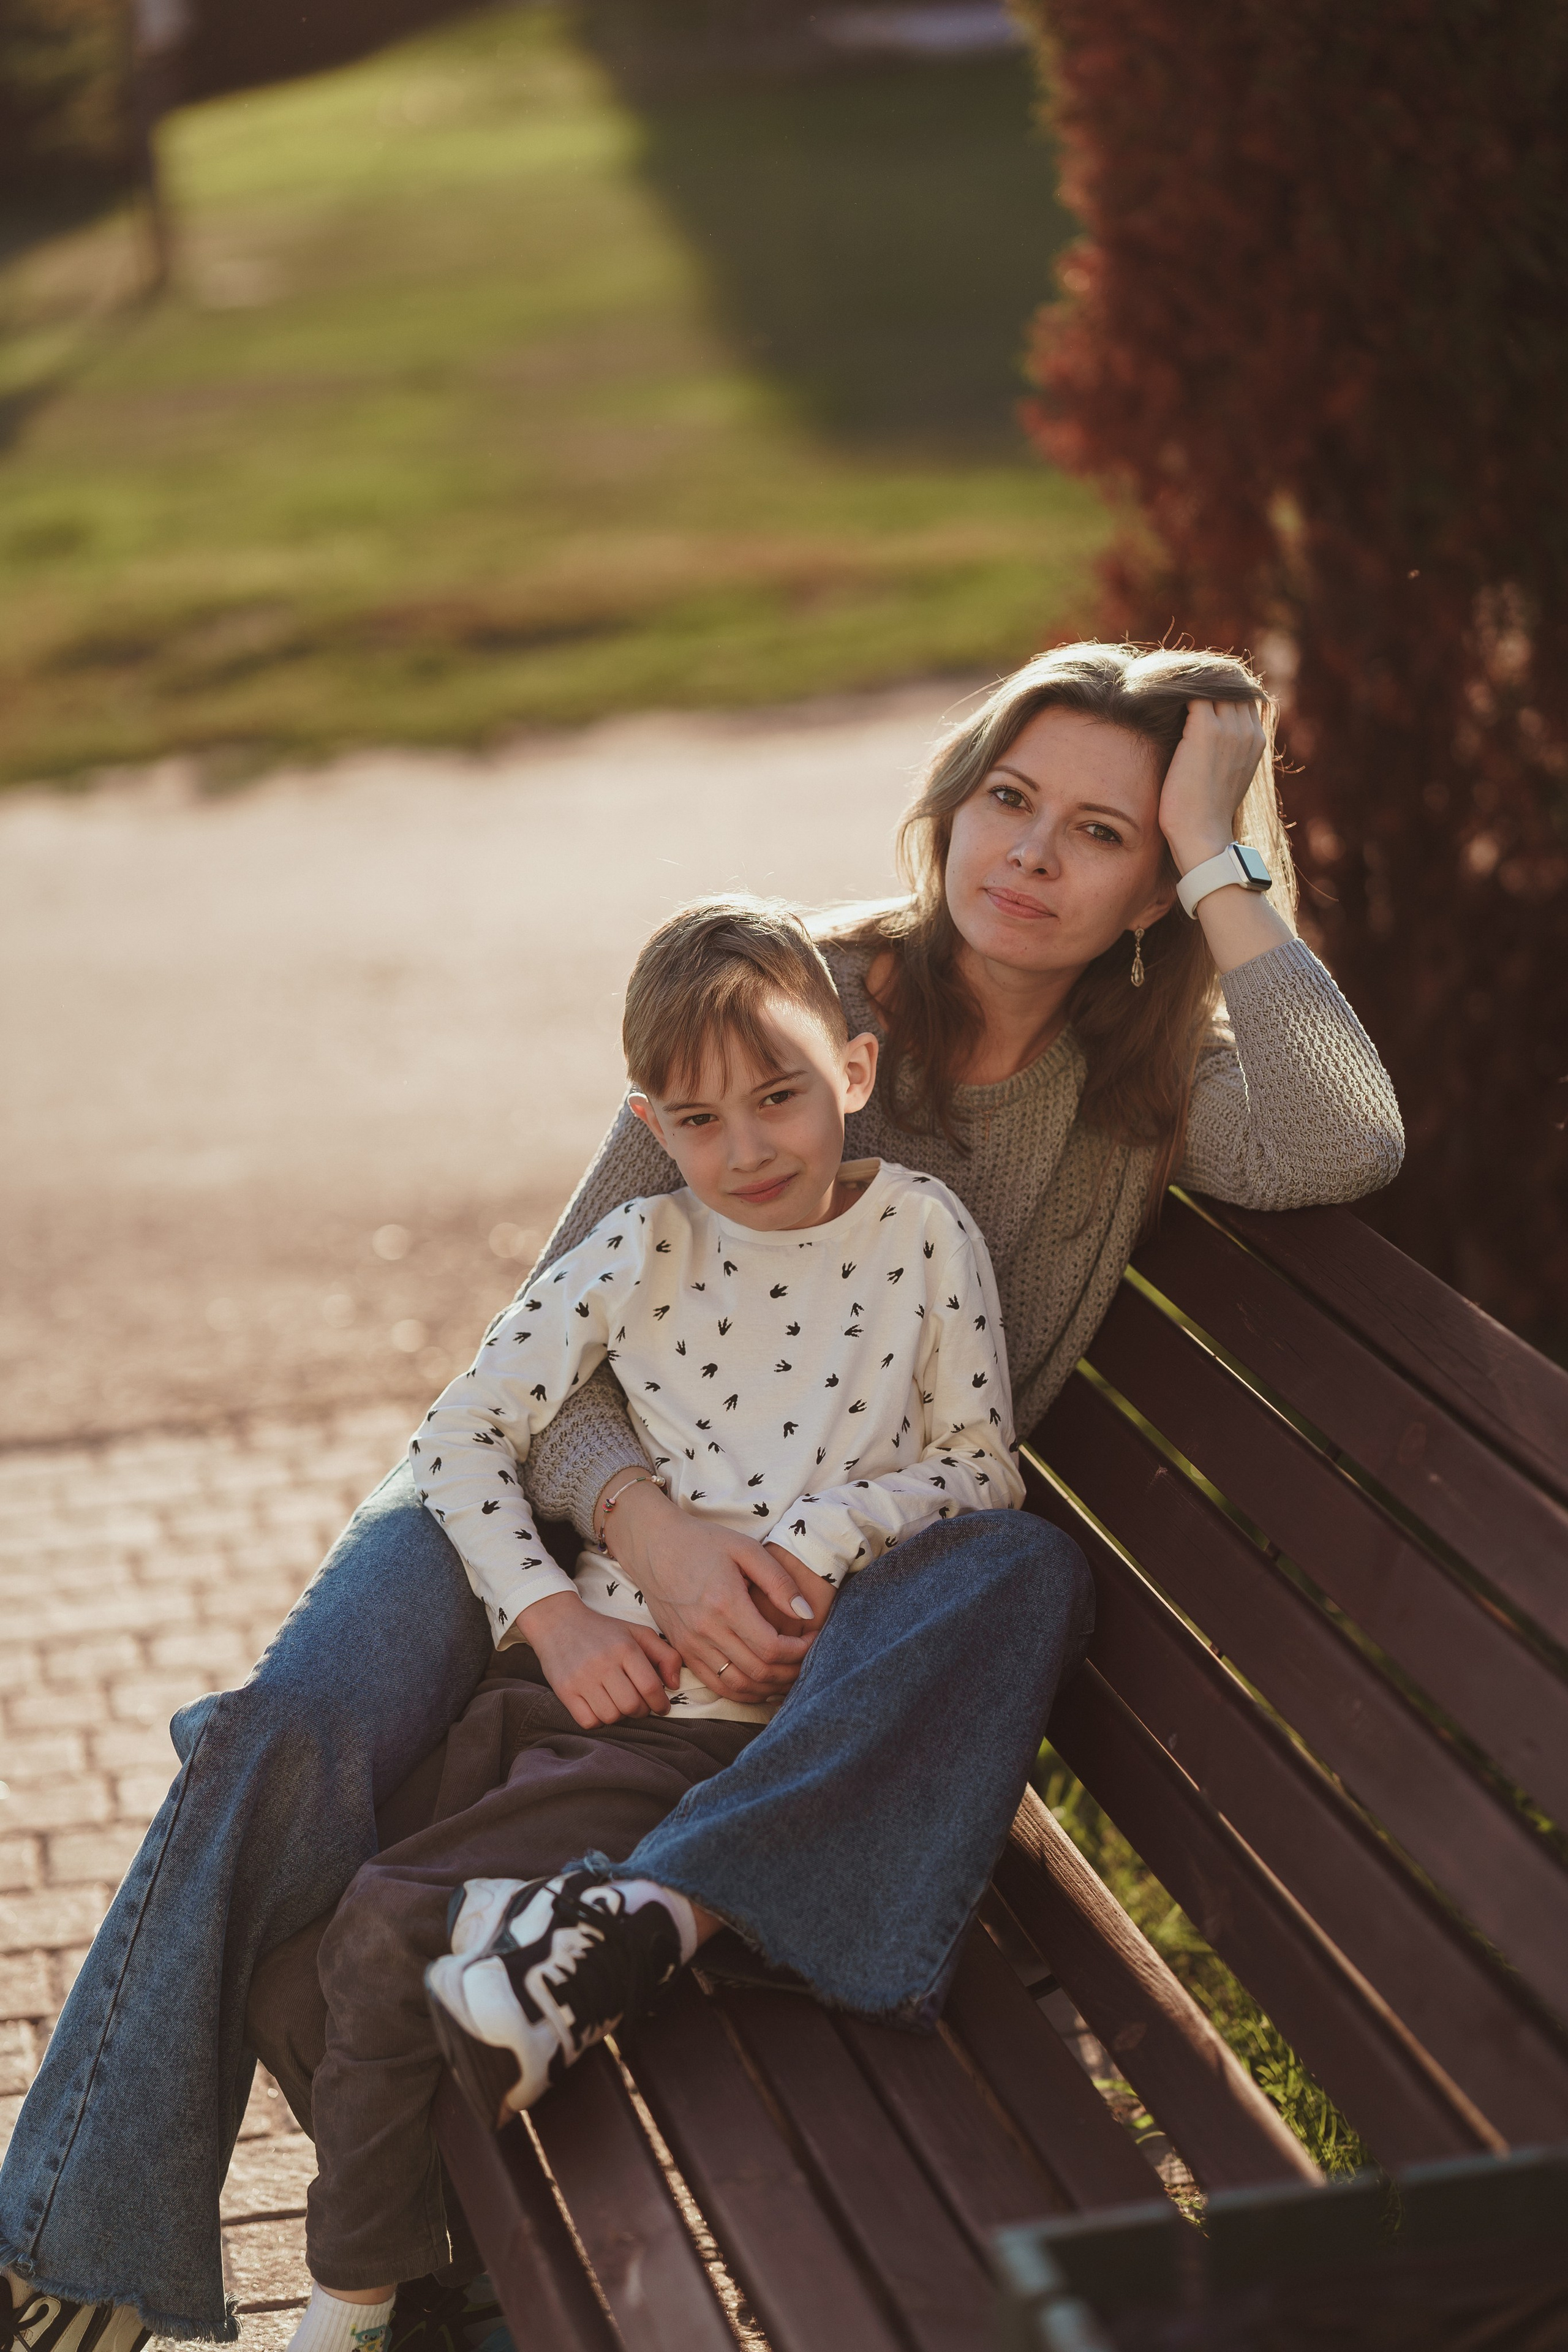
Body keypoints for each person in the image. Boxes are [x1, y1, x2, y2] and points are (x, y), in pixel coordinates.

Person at [0, 643, 1404, 2345]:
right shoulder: (790, 998)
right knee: (285, 1733)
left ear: (1147, 891)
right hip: (548, 1488)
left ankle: (500, 2139)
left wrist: (1220, 840)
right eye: (1009, 801)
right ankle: (71, 2260)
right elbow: (550, 1342)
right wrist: (644, 1535)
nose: (1030, 855)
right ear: (950, 809)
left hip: (849, 1568)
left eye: (1104, 834)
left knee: (1001, 1578)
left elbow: (1344, 1139)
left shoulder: (1146, 1083)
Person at [274, 897, 1027, 2345]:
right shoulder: (640, 1247)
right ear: (648, 1120)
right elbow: (461, 1433)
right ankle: (454, 2275)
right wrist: (549, 1614)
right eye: (696, 1120)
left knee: (380, 1927)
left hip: (722, 1729)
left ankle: (346, 2313)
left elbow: (979, 1468)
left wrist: (810, 1535)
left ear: (854, 1073)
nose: (744, 1150)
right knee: (293, 1937)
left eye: (779, 1097)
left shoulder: (921, 1234)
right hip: (579, 1684)